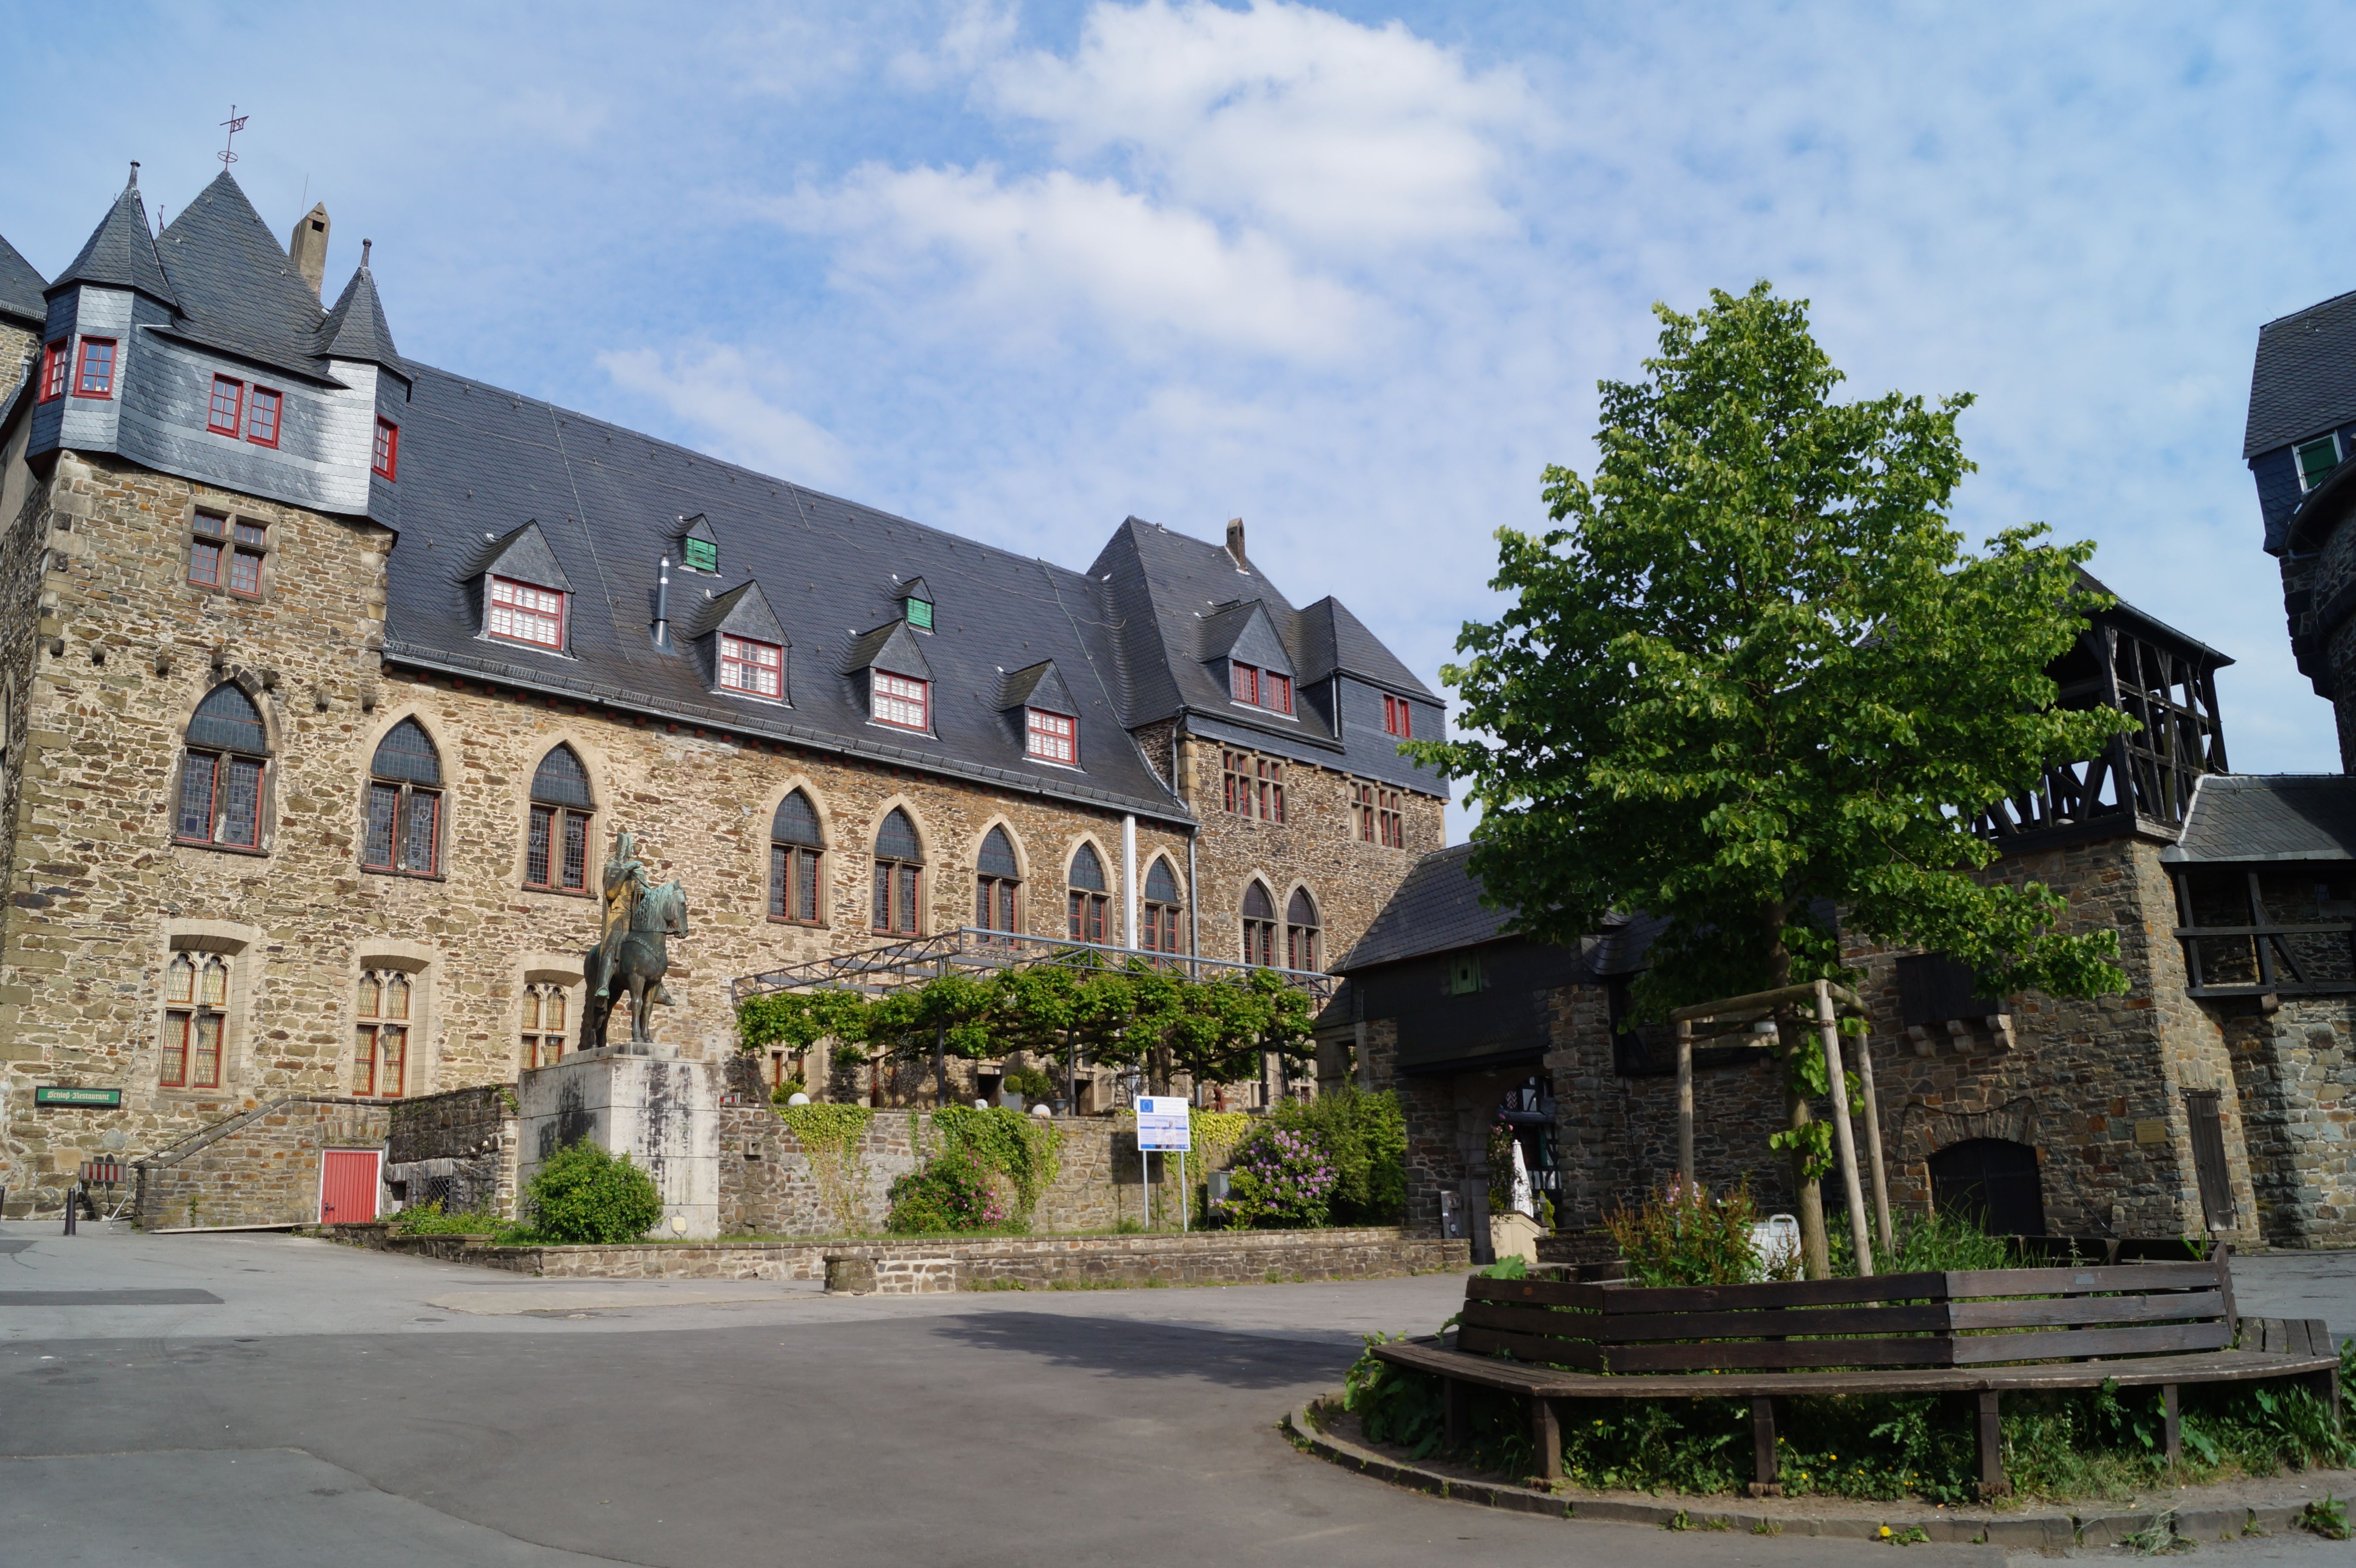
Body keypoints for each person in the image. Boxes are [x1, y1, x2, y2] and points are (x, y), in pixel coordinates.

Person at [592, 830, 649, 1002]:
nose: (631, 852)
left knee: (651, 946)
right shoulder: (612, 867)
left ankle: (658, 986)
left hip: (635, 918)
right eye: (629, 848)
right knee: (612, 944)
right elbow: (610, 892)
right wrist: (625, 871)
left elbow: (649, 892)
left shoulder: (638, 871)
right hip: (617, 916)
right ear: (622, 848)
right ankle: (603, 985)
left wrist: (644, 891)